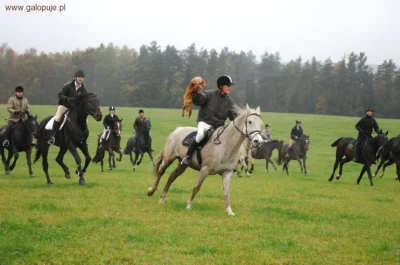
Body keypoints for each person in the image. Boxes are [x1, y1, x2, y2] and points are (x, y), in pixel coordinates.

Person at [180, 75, 238, 166]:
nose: (229, 87)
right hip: (205, 123)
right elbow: (199, 101)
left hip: (219, 126)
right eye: (227, 85)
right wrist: (198, 93)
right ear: (220, 86)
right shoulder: (209, 94)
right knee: (200, 135)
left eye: (230, 86)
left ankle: (227, 163)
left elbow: (234, 116)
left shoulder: (229, 101)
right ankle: (187, 156)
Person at [47, 70, 88, 145]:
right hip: (64, 106)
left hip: (75, 109)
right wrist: (67, 98)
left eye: (82, 77)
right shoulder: (68, 85)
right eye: (79, 77)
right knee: (58, 117)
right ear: (75, 77)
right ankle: (52, 136)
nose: (80, 79)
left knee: (84, 120)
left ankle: (82, 138)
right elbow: (59, 95)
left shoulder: (84, 90)